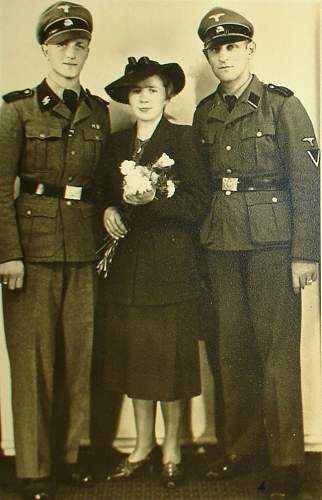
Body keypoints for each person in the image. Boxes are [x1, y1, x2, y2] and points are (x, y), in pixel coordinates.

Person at [193, 7, 320, 499]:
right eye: (215, 48)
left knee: (277, 353)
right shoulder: (206, 112)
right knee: (232, 349)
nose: (224, 56)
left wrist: (306, 252)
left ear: (249, 50)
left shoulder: (282, 106)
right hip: (222, 244)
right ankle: (241, 450)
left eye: (232, 46)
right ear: (208, 55)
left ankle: (287, 462)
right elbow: (205, 184)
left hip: (273, 244)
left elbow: (307, 182)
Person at [0, 2, 110, 499]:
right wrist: (8, 254)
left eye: (80, 44)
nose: (72, 53)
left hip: (82, 248)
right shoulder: (16, 110)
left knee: (77, 359)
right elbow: (1, 187)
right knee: (33, 363)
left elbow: (101, 182)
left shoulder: (98, 112)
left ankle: (69, 458)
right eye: (62, 44)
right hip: (32, 251)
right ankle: (34, 470)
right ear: (44, 49)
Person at [95, 56, 210, 488]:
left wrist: (154, 201)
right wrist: (108, 209)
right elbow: (102, 194)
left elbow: (198, 202)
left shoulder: (183, 139)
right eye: (137, 91)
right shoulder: (116, 143)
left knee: (171, 365)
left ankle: (173, 450)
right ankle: (143, 446)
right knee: (137, 363)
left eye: (153, 90)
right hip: (127, 272)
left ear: (167, 95)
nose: (144, 97)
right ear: (128, 96)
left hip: (171, 271)